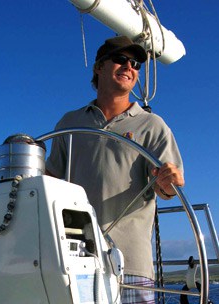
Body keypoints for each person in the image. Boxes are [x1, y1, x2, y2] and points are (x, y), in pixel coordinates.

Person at [45, 36, 184, 304]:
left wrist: (169, 181)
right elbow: (49, 178)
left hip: (131, 264)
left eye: (135, 64)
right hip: (76, 261)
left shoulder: (152, 125)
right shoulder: (70, 122)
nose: (129, 67)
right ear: (98, 67)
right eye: (120, 59)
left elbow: (168, 188)